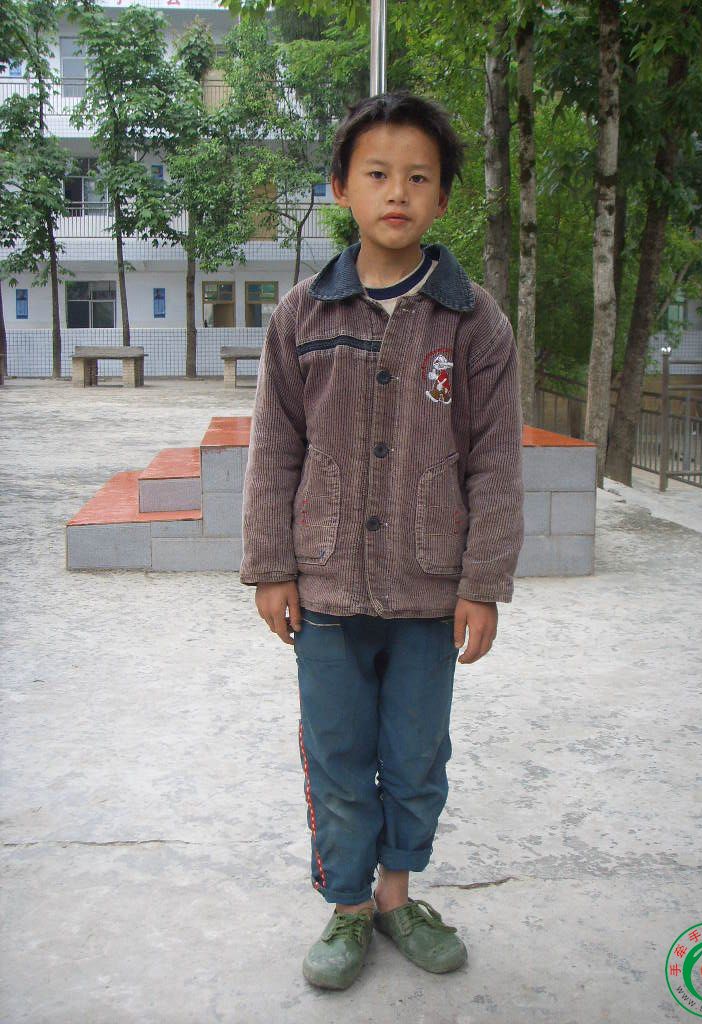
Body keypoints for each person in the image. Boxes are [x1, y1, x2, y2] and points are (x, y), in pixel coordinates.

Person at [240, 89, 524, 990]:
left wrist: (482, 581)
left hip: (429, 593)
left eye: (418, 177)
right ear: (341, 188)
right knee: (337, 756)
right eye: (376, 174)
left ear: (442, 198)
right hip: (324, 589)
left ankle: (398, 897)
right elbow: (274, 448)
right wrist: (271, 567)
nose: (396, 191)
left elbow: (495, 461)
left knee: (414, 756)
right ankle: (349, 907)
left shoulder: (474, 323)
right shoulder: (301, 316)